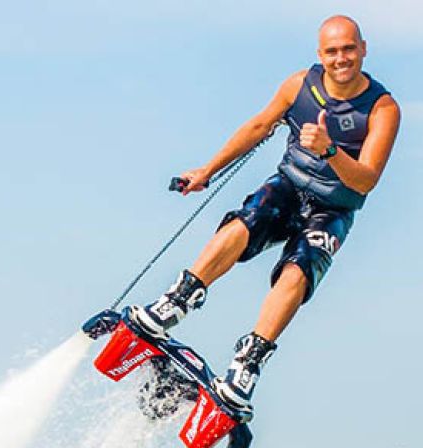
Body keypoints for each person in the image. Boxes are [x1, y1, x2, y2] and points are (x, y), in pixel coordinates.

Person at [129, 14, 400, 419]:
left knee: (299, 272)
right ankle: (178, 299)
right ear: (320, 55)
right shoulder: (299, 85)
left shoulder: (382, 108)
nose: (341, 58)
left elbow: (366, 180)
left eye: (348, 49)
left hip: (333, 207)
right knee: (246, 221)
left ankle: (249, 361)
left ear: (363, 49)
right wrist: (207, 171)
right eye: (332, 51)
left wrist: (329, 149)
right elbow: (258, 125)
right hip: (289, 186)